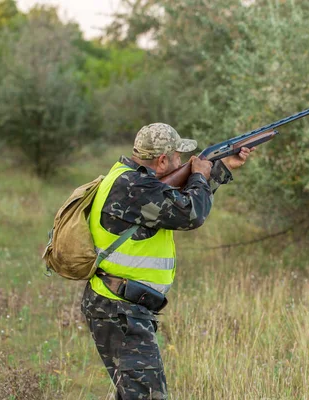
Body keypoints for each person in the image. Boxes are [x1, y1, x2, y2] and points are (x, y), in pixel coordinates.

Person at [81, 123, 253, 399]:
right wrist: (198, 173)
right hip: (119, 308)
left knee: (133, 393)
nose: (183, 162)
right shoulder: (135, 186)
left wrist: (223, 168)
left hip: (121, 306)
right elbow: (190, 214)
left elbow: (177, 204)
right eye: (178, 157)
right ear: (162, 160)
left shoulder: (128, 179)